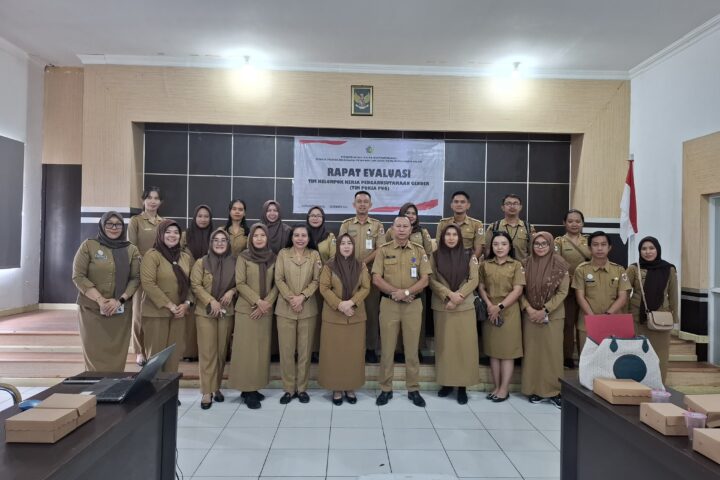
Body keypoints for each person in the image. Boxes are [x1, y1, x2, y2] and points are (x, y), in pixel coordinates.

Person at [372, 216, 431, 407]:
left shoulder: (419, 251)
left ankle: (413, 389)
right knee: (387, 350)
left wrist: (406, 292)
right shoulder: (384, 250)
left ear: (411, 228)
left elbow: (425, 280)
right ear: (393, 228)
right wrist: (395, 293)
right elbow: (376, 279)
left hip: (413, 305)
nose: (402, 229)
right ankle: (385, 389)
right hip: (389, 305)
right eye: (399, 226)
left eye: (406, 226)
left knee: (412, 350)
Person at [72, 212, 141, 372]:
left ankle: (112, 391)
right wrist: (100, 300)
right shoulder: (89, 245)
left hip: (120, 312)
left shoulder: (131, 249)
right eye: (109, 224)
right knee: (94, 353)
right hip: (92, 310)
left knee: (116, 356)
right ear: (102, 225)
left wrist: (119, 300)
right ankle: (95, 391)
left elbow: (135, 279)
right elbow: (78, 276)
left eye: (118, 224)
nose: (114, 228)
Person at [229, 224, 278, 409]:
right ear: (250, 239)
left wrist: (267, 303)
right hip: (247, 310)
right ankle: (247, 391)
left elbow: (277, 283)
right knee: (246, 352)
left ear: (267, 238)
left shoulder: (273, 258)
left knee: (260, 352)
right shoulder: (244, 257)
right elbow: (240, 283)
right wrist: (258, 301)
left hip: (265, 311)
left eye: (262, 235)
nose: (259, 238)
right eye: (255, 235)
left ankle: (255, 387)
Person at [429, 224, 480, 404]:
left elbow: (474, 279)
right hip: (443, 306)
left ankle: (462, 387)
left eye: (454, 235)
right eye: (447, 234)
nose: (451, 238)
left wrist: (458, 296)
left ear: (459, 237)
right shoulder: (434, 256)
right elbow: (431, 279)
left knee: (464, 347)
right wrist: (448, 294)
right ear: (442, 237)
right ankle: (447, 384)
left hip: (464, 306)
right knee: (445, 347)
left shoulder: (469, 255)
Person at [318, 234, 371, 405]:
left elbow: (366, 287)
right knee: (334, 354)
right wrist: (339, 304)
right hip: (334, 316)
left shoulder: (361, 265)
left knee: (353, 354)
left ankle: (350, 386)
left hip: (355, 316)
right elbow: (324, 288)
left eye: (349, 243)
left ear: (353, 246)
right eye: (343, 243)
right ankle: (337, 388)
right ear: (338, 246)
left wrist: (351, 303)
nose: (346, 246)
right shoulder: (329, 266)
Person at [520, 232, 569, 408]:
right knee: (533, 354)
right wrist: (530, 309)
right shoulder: (525, 264)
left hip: (553, 316)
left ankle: (555, 391)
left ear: (550, 245)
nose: (540, 247)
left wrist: (545, 310)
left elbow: (563, 292)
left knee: (552, 354)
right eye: (537, 244)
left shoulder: (560, 264)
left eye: (544, 244)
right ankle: (534, 390)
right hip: (530, 315)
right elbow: (519, 291)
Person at [274, 225, 322, 404]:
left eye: (304, 235)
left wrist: (302, 297)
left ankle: (302, 389)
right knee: (286, 352)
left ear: (309, 238)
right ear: (291, 237)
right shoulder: (283, 254)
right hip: (285, 309)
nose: (300, 238)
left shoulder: (315, 255)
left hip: (307, 309)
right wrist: (291, 298)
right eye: (296, 235)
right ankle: (288, 389)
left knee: (304, 352)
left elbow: (317, 280)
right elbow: (279, 279)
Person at [190, 228, 236, 409]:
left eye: (223, 240)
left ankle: (216, 387)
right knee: (208, 352)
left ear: (228, 243)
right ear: (211, 243)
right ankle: (206, 392)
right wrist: (211, 301)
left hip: (226, 312)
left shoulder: (235, 262)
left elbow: (240, 283)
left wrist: (232, 291)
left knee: (221, 352)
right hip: (205, 312)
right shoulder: (201, 262)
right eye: (215, 240)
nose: (219, 243)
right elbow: (195, 284)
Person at [140, 219, 192, 374]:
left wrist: (186, 304)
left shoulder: (184, 257)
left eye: (176, 232)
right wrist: (170, 305)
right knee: (155, 358)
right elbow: (148, 283)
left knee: (173, 357)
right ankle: (154, 396)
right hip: (157, 313)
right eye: (168, 232)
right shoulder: (152, 255)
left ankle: (169, 395)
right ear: (161, 234)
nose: (172, 235)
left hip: (179, 314)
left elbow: (190, 284)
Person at [478, 231, 525, 402]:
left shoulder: (516, 265)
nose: (499, 247)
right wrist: (490, 305)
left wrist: (500, 306)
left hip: (509, 311)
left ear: (510, 246)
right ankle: (496, 387)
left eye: (504, 244)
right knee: (493, 351)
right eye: (496, 244)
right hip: (490, 310)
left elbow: (518, 290)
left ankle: (504, 389)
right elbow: (481, 287)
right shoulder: (484, 265)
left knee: (507, 352)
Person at [339, 191, 385, 363]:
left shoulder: (377, 225)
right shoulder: (346, 225)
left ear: (370, 205)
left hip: (370, 275)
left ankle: (371, 348)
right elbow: (341, 246)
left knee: (371, 312)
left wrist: (362, 263)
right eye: (359, 201)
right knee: (351, 310)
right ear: (354, 205)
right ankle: (352, 346)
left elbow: (380, 249)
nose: (362, 204)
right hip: (348, 275)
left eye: (366, 201)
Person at [385, 202, 433, 362]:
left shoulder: (423, 232)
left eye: (413, 213)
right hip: (393, 283)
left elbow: (429, 254)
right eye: (407, 212)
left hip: (417, 283)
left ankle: (416, 348)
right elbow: (384, 250)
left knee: (417, 319)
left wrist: (416, 286)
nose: (411, 215)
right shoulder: (390, 231)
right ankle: (398, 349)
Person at [626, 236, 678, 381]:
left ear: (657, 249)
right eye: (644, 248)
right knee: (637, 354)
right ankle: (636, 385)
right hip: (637, 319)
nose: (648, 252)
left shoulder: (669, 269)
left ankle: (659, 386)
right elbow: (624, 293)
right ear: (639, 251)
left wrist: (674, 318)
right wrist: (624, 317)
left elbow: (673, 295)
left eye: (651, 248)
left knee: (660, 355)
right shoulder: (633, 268)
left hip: (660, 320)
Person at [572, 231, 631, 351]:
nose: (599, 248)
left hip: (613, 321)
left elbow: (623, 297)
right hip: (587, 323)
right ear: (589, 248)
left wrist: (607, 316)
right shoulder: (581, 270)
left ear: (609, 247)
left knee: (612, 359)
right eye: (595, 244)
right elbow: (580, 297)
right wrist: (594, 319)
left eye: (603, 244)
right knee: (588, 359)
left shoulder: (619, 270)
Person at [128, 186, 164, 366]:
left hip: (161, 275)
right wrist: (147, 265)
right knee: (138, 314)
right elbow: (132, 249)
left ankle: (154, 349)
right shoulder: (136, 221)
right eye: (149, 197)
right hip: (141, 274)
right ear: (143, 200)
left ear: (160, 202)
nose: (152, 201)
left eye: (156, 198)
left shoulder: (163, 223)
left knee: (155, 314)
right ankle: (139, 351)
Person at [554, 209, 591, 369]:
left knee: (585, 323)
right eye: (570, 221)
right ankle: (567, 356)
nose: (574, 224)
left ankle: (587, 356)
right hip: (568, 289)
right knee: (568, 324)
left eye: (578, 221)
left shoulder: (590, 241)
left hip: (588, 289)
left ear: (582, 223)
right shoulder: (559, 242)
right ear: (564, 223)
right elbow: (558, 264)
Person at [181, 204, 213, 362]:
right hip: (188, 282)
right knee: (190, 320)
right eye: (200, 216)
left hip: (208, 285)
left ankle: (205, 352)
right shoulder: (185, 235)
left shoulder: (214, 236)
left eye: (206, 216)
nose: (203, 219)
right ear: (195, 217)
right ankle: (189, 352)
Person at [306, 206, 337, 363]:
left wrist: (322, 270)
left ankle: (317, 349)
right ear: (308, 218)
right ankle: (306, 349)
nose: (315, 218)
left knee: (319, 318)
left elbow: (333, 258)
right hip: (304, 283)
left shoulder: (329, 236)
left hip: (323, 283)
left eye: (318, 215)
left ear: (323, 218)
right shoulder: (302, 234)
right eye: (312, 215)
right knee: (306, 318)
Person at [485, 194, 536, 261]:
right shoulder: (494, 227)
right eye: (508, 203)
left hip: (522, 269)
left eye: (515, 203)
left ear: (520, 207)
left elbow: (533, 252)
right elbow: (487, 250)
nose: (512, 206)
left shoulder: (528, 228)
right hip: (499, 269)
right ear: (503, 207)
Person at [436, 191, 485, 259]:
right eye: (456, 202)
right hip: (447, 260)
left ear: (468, 206)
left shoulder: (477, 225)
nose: (459, 204)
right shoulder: (443, 224)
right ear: (452, 205)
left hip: (468, 261)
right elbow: (439, 246)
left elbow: (478, 249)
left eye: (462, 202)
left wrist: (470, 264)